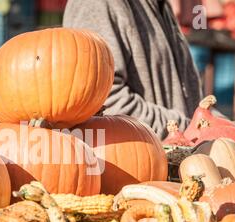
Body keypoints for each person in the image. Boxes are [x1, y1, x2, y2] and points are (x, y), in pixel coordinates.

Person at [63, 0, 205, 138]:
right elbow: (103, 102)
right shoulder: (95, 4)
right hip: (127, 159)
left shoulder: (161, 5)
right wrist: (190, 128)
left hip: (175, 155)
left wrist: (217, 126)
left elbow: (192, 98)